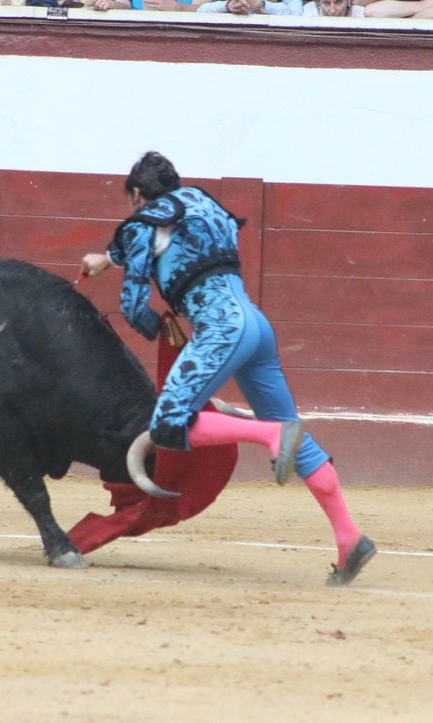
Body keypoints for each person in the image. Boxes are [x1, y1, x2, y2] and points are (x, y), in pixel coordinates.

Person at [79, 152, 377, 587]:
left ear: (138, 195)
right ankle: (350, 538)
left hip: (220, 329)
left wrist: (158, 328)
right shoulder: (202, 203)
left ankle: (268, 435)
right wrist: (105, 259)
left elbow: (132, 303)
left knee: (166, 425)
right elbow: (152, 241)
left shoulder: (143, 223)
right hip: (255, 326)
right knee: (298, 436)